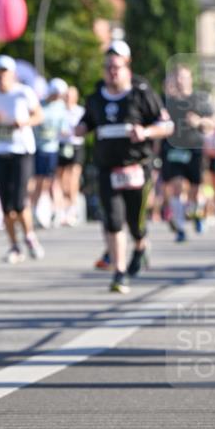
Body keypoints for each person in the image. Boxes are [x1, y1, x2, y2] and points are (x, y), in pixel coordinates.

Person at [76, 40, 173, 293]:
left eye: (117, 66)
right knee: (113, 221)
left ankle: (141, 246)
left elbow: (167, 126)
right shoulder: (96, 97)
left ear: (127, 66)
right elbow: (87, 122)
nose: (112, 71)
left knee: (135, 223)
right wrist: (79, 129)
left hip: (137, 168)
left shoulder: (141, 93)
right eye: (108, 67)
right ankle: (119, 272)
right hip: (108, 169)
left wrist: (146, 132)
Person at [0, 55, 44, 263]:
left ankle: (29, 236)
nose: (1, 76)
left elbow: (39, 116)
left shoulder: (23, 93)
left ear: (13, 74)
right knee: (6, 206)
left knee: (18, 201)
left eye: (5, 72)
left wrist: (24, 122)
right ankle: (14, 245)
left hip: (21, 151)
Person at [161, 64, 214, 241]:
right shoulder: (167, 101)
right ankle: (181, 227)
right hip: (173, 147)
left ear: (190, 79)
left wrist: (199, 121)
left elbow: (212, 123)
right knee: (176, 187)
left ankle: (197, 212)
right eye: (177, 78)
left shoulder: (200, 99)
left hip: (195, 148)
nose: (180, 81)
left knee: (195, 189)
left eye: (183, 77)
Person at [31, 78, 69, 228]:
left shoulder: (60, 107)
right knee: (39, 181)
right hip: (39, 149)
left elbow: (63, 128)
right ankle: (34, 210)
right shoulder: (40, 105)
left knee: (53, 181)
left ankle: (56, 211)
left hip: (53, 149)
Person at [57, 84, 86, 226]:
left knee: (73, 177)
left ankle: (72, 209)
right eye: (66, 95)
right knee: (62, 179)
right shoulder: (59, 111)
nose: (68, 98)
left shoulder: (80, 111)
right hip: (62, 146)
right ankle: (63, 208)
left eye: (70, 95)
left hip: (76, 146)